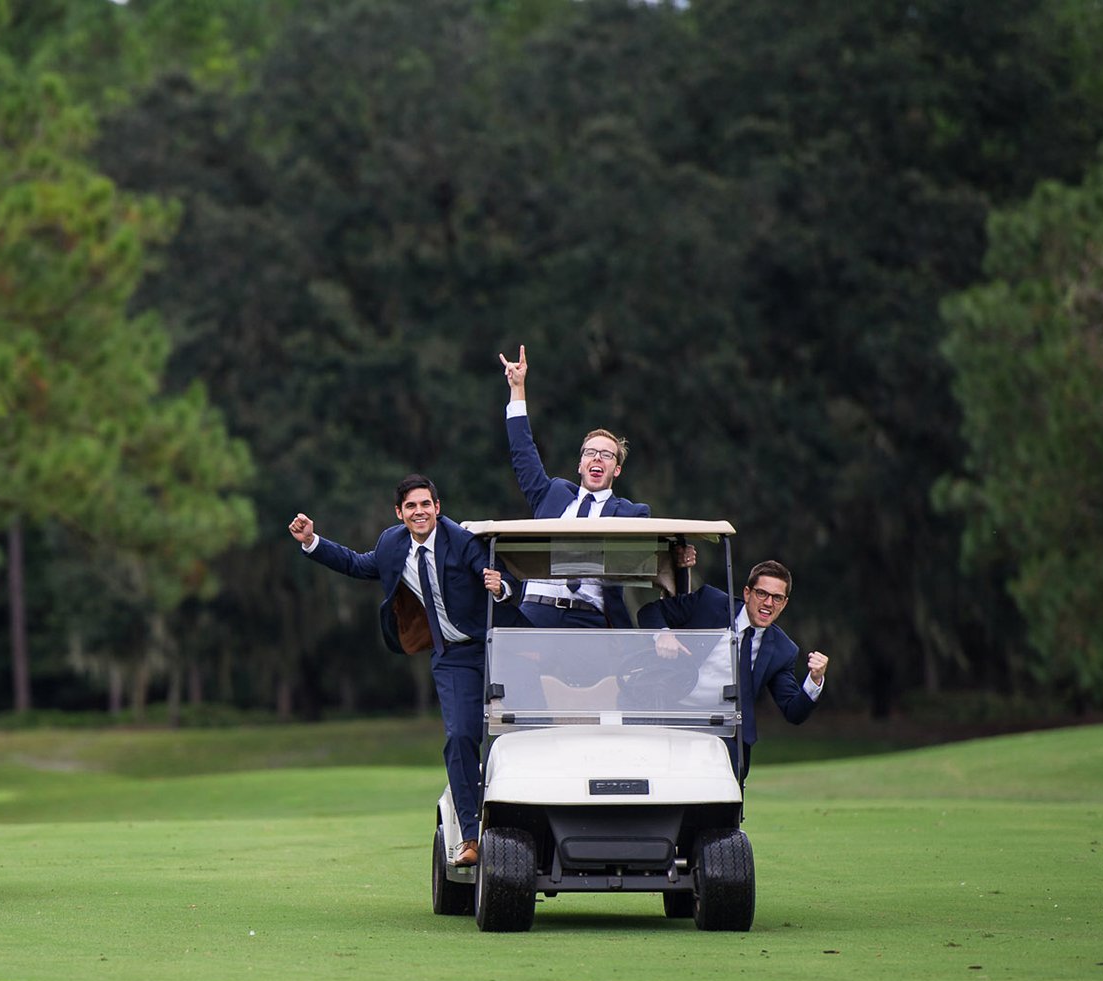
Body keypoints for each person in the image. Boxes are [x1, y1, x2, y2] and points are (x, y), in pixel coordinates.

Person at [290, 475, 512, 867]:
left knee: (519, 732)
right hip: (453, 657)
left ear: (437, 508)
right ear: (399, 513)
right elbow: (357, 564)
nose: (419, 512)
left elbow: (496, 574)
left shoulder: (461, 541)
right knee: (460, 736)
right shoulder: (392, 545)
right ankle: (471, 836)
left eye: (426, 504)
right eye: (411, 506)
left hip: (499, 649)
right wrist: (312, 541)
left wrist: (500, 586)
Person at [637, 552, 829, 781]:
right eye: (762, 593)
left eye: (777, 598)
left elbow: (793, 711)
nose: (768, 603)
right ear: (747, 593)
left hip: (726, 732)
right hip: (675, 714)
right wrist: (663, 635)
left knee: (724, 788)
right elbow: (649, 611)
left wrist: (815, 681)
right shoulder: (709, 602)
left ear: (784, 603)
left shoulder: (783, 650)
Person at [498, 344, 649, 628]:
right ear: (580, 465)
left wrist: (679, 556)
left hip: (588, 615)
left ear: (617, 470)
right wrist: (517, 389)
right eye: (590, 452)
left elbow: (641, 558)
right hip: (537, 609)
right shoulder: (552, 494)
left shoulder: (631, 513)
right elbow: (523, 452)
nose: (597, 458)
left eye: (606, 455)